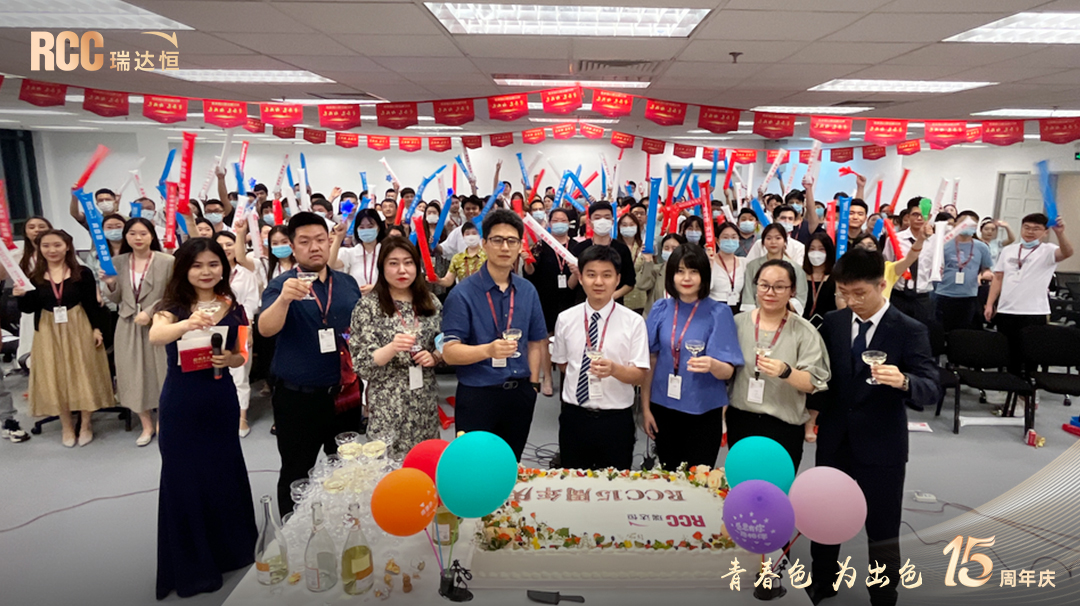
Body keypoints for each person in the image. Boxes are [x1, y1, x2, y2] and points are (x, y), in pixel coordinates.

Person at [806, 248, 941, 606]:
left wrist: (904, 381)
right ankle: (823, 581)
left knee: (882, 525)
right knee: (826, 517)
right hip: (835, 438)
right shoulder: (834, 322)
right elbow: (823, 379)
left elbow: (931, 386)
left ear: (882, 285)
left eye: (859, 293)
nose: (851, 301)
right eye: (843, 293)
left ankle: (883, 592)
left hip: (882, 443)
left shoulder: (909, 329)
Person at [148, 237, 257, 600]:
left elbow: (242, 353)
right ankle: (195, 567)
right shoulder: (172, 306)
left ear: (223, 267)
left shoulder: (233, 305)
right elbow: (156, 335)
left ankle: (232, 552)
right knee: (185, 478)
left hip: (220, 400)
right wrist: (187, 324)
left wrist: (231, 360)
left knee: (223, 473)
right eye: (197, 265)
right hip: (182, 404)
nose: (206, 271)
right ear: (184, 269)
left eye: (213, 264)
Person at [258, 212, 362, 514]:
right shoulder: (282, 286)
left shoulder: (347, 283)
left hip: (345, 394)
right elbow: (265, 329)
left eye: (320, 239)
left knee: (347, 469)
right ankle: (292, 532)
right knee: (296, 470)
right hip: (298, 399)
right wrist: (284, 300)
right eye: (304, 242)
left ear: (330, 242)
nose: (314, 247)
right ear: (292, 247)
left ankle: (347, 523)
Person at [441, 210, 548, 461]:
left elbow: (536, 341)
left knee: (511, 464)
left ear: (520, 246)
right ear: (484, 244)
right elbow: (450, 352)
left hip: (519, 394)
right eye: (497, 240)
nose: (505, 247)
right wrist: (488, 350)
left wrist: (533, 385)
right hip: (478, 395)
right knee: (474, 466)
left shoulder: (527, 291)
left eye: (512, 241)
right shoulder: (462, 294)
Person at [642, 243, 743, 470]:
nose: (686, 278)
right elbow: (651, 361)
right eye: (680, 271)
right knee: (668, 475)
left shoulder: (719, 312)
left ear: (704, 275)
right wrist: (645, 409)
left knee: (698, 477)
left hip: (703, 409)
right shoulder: (660, 309)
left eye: (693, 271)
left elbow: (728, 371)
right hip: (663, 406)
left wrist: (713, 364)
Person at [552, 245, 650, 470]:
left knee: (615, 484)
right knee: (573, 482)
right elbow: (563, 363)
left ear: (617, 279)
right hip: (574, 416)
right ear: (581, 278)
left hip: (616, 420)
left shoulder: (634, 322)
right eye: (591, 275)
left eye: (606, 275)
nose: (598, 282)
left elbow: (639, 375)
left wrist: (614, 370)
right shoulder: (566, 319)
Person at [728, 260, 830, 470]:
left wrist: (786, 371)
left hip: (783, 425)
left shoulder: (804, 331)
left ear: (792, 291)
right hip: (741, 420)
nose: (770, 292)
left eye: (779, 286)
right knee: (739, 484)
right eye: (764, 285)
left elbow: (813, 382)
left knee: (777, 487)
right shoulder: (737, 323)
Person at [15, 230, 113, 447]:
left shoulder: (82, 273)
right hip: (48, 329)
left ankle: (85, 423)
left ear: (67, 246)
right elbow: (29, 308)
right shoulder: (35, 277)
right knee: (55, 375)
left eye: (57, 245)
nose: (52, 250)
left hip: (79, 325)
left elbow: (91, 304)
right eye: (46, 246)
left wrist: (96, 329)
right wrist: (21, 296)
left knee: (83, 372)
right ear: (39, 248)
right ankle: (66, 425)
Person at [350, 237, 442, 457]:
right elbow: (361, 364)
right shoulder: (368, 306)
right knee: (387, 466)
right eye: (393, 263)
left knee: (425, 462)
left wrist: (435, 357)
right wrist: (392, 348)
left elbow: (445, 342)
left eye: (408, 262)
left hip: (424, 400)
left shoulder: (431, 302)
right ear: (382, 268)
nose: (402, 270)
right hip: (387, 403)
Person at [101, 218, 174, 446]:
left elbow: (173, 294)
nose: (138, 238)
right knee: (132, 375)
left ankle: (163, 421)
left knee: (162, 372)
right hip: (128, 323)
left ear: (152, 235)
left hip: (159, 323)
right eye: (132, 233)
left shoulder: (167, 261)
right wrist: (110, 283)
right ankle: (146, 424)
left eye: (143, 233)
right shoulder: (117, 262)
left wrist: (151, 311)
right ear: (126, 237)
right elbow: (115, 298)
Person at [986, 213, 1073, 376]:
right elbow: (998, 278)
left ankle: (1028, 389)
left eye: (1036, 229)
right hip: (1006, 311)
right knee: (1008, 355)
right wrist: (990, 304)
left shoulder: (1048, 250)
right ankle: (1011, 388)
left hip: (1034, 312)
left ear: (1045, 232)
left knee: (1030, 356)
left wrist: (1060, 234)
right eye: (1026, 227)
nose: (1030, 232)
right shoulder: (1008, 250)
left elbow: (1067, 252)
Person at [524, 207, 581, 396]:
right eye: (555, 220)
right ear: (549, 223)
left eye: (563, 220)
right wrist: (527, 261)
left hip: (570, 298)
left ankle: (570, 377)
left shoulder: (577, 246)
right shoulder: (540, 246)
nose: (559, 223)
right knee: (546, 338)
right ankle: (547, 377)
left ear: (569, 223)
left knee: (571, 337)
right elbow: (530, 273)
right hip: (545, 296)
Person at [216, 231, 261, 437]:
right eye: (220, 245)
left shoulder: (246, 274)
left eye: (229, 244)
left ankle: (242, 417)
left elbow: (251, 304)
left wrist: (248, 330)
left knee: (240, 373)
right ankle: (221, 414)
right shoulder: (210, 272)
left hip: (240, 326)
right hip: (212, 326)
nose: (225, 248)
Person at [934, 212, 993, 333]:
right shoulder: (944, 244)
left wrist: (985, 274)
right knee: (940, 331)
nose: (967, 226)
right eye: (964, 222)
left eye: (971, 223)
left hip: (968, 296)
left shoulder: (982, 247)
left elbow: (986, 268)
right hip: (943, 293)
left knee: (961, 333)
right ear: (956, 224)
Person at [885, 197, 935, 324]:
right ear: (907, 217)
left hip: (922, 297)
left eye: (923, 215)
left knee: (921, 332)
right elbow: (887, 265)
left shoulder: (935, 241)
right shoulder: (894, 239)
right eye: (915, 215)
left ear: (929, 217)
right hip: (899, 295)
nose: (919, 218)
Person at [742, 224, 808, 314]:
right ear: (763, 241)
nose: (773, 242)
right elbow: (748, 296)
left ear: (785, 241)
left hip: (786, 315)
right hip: (758, 315)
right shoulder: (752, 266)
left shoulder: (795, 267)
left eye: (778, 238)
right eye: (768, 238)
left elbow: (800, 297)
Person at [578, 202, 636, 303]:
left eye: (607, 217)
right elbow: (572, 284)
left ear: (612, 222)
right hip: (584, 303)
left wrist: (611, 297)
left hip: (614, 303)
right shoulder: (579, 248)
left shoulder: (622, 249)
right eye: (597, 217)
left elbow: (630, 282)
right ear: (590, 222)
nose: (602, 221)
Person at [16, 216, 53, 366]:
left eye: (41, 226)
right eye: (31, 227)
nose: (37, 230)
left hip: (57, 306)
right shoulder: (19, 255)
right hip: (32, 308)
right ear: (25, 232)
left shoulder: (60, 252)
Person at [331, 208, 384, 295]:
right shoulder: (350, 253)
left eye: (370, 227)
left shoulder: (386, 252)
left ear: (379, 228)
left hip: (382, 299)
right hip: (356, 300)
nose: (366, 230)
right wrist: (339, 237)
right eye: (361, 227)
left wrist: (375, 288)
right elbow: (331, 265)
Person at [639, 233, 686, 319]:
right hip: (656, 319)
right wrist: (648, 260)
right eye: (666, 248)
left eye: (674, 248)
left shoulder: (687, 274)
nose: (670, 251)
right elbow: (642, 285)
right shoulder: (656, 270)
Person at [709, 222, 746, 309]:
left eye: (734, 237)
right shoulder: (710, 261)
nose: (730, 240)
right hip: (714, 307)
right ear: (717, 240)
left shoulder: (744, 262)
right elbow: (707, 287)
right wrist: (710, 264)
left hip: (737, 307)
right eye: (725, 237)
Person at [803, 233, 838, 326]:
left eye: (821, 249)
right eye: (812, 249)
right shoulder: (800, 275)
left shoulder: (837, 277)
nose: (816, 253)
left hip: (828, 327)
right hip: (801, 326)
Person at [438, 221, 487, 287]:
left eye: (474, 233)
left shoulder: (489, 256)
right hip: (463, 292)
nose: (471, 236)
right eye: (467, 234)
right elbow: (448, 280)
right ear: (463, 236)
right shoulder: (457, 258)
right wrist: (438, 280)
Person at [617, 212, 647, 314]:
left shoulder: (644, 246)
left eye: (631, 224)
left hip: (639, 297)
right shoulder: (614, 248)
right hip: (619, 296)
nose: (628, 227)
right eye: (624, 225)